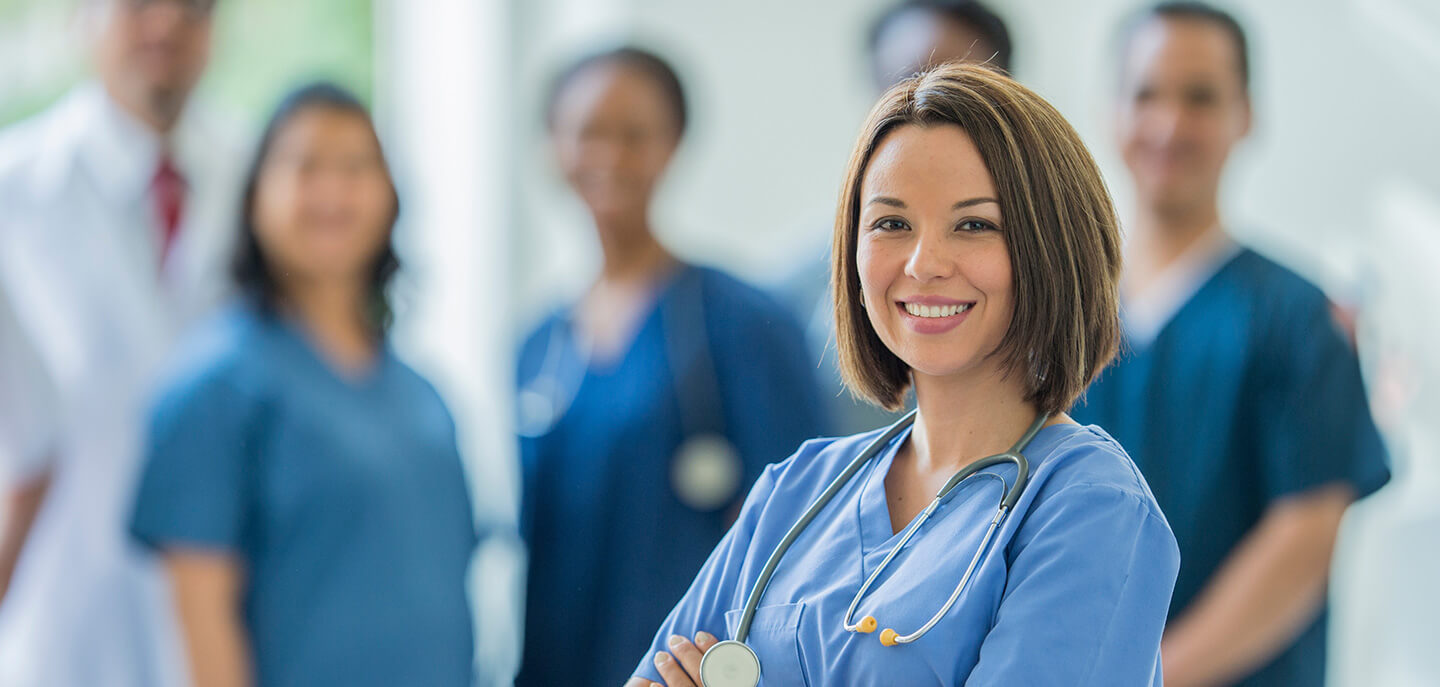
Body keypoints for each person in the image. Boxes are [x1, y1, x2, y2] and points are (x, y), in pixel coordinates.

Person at [627, 62, 1179, 687]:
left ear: (1052, 250)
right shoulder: (798, 491)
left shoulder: (1090, 507)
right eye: (891, 223)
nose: (923, 263)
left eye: (974, 224)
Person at [1070, 3, 1391, 685]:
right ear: (1110, 111)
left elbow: (1302, 544)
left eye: (1201, 97)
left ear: (1246, 114)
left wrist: (1151, 675)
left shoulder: (1299, 318)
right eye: (1146, 94)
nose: (1169, 123)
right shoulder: (1056, 316)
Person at [128, 83, 478, 687]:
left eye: (356, 166)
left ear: (392, 196)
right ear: (254, 196)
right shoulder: (215, 385)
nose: (332, 192)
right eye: (305, 165)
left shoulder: (423, 394)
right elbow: (204, 629)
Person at [515, 47, 829, 686]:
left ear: (673, 144)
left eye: (634, 135)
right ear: (554, 145)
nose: (609, 157)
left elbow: (806, 539)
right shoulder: (536, 344)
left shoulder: (744, 323)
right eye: (588, 133)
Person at [0, 0, 242, 684]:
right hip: (61, 626)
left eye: (193, 7)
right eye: (136, 4)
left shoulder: (262, 179)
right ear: (81, 20)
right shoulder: (12, 191)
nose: (166, 24)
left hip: (228, 622)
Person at [779, 0, 1014, 436]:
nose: (931, 104)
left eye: (961, 87)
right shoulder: (788, 299)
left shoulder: (1055, 286)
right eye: (907, 82)